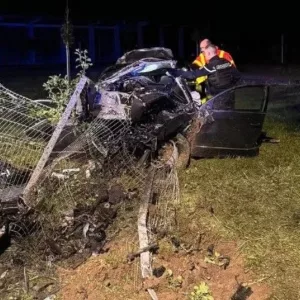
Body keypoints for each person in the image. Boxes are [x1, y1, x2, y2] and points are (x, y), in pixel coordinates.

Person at [170, 45, 240, 98]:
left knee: (218, 115)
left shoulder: (212, 65)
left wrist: (176, 72)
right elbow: (237, 75)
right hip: (230, 92)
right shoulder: (226, 61)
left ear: (209, 53)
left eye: (205, 54)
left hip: (218, 96)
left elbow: (193, 75)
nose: (204, 56)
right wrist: (231, 86)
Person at [191, 39, 236, 103]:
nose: (201, 50)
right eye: (200, 48)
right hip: (210, 87)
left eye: (202, 48)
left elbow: (233, 70)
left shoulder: (224, 55)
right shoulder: (202, 55)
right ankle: (203, 105)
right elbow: (195, 64)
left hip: (225, 88)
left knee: (226, 107)